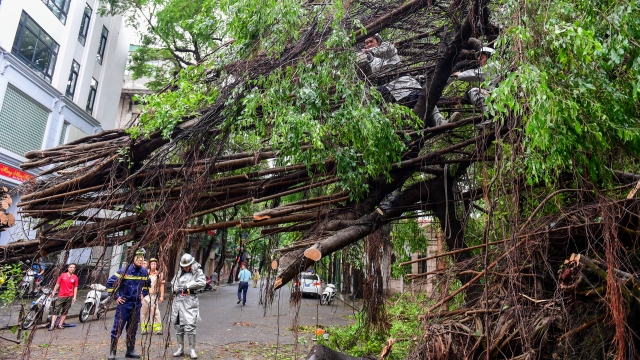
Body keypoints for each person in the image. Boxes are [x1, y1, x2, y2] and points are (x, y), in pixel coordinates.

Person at [357, 34, 447, 127]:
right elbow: (362, 76)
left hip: (403, 83)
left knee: (424, 99)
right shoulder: (368, 59)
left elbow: (387, 49)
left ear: (378, 41)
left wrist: (370, 52)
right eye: (366, 43)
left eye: (371, 41)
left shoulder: (387, 47)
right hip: (386, 89)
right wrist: (360, 61)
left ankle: (440, 122)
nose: (368, 44)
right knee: (369, 95)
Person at [106, 248, 150, 360]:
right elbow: (110, 284)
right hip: (124, 304)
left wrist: (143, 294)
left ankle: (130, 351)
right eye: (138, 257)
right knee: (118, 327)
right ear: (133, 258)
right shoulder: (124, 271)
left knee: (133, 328)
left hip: (136, 305)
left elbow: (147, 285)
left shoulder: (144, 272)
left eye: (142, 258)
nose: (140, 260)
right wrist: (116, 297)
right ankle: (113, 352)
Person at [171, 253, 206, 359]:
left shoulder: (197, 271)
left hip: (190, 301)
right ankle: (180, 348)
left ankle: (192, 349)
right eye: (183, 266)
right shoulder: (179, 272)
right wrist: (175, 288)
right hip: (178, 301)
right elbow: (173, 283)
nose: (185, 268)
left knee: (190, 326)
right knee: (178, 327)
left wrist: (187, 286)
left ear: (191, 264)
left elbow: (202, 282)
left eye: (187, 266)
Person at [451, 47, 498, 124]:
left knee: (474, 91)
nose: (479, 59)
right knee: (478, 90)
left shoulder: (493, 65)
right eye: (479, 58)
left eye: (482, 57)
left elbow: (476, 74)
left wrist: (460, 74)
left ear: (490, 57)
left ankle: (490, 115)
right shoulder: (497, 66)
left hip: (498, 97)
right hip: (497, 96)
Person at [48, 263, 78, 331]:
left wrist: (74, 297)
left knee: (65, 311)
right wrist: (53, 292)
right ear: (68, 268)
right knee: (56, 310)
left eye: (73, 267)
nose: (72, 269)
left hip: (69, 296)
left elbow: (75, 287)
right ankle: (52, 325)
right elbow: (57, 284)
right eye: (71, 267)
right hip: (61, 296)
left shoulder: (75, 277)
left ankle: (60, 324)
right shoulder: (62, 275)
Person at [140, 258, 164, 335]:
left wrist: (162, 296)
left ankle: (158, 329)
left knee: (155, 312)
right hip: (145, 295)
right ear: (149, 265)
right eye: (152, 264)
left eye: (155, 264)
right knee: (144, 312)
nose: (153, 265)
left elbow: (161, 285)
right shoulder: (145, 274)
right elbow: (140, 284)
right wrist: (140, 294)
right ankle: (144, 328)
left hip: (154, 295)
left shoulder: (159, 274)